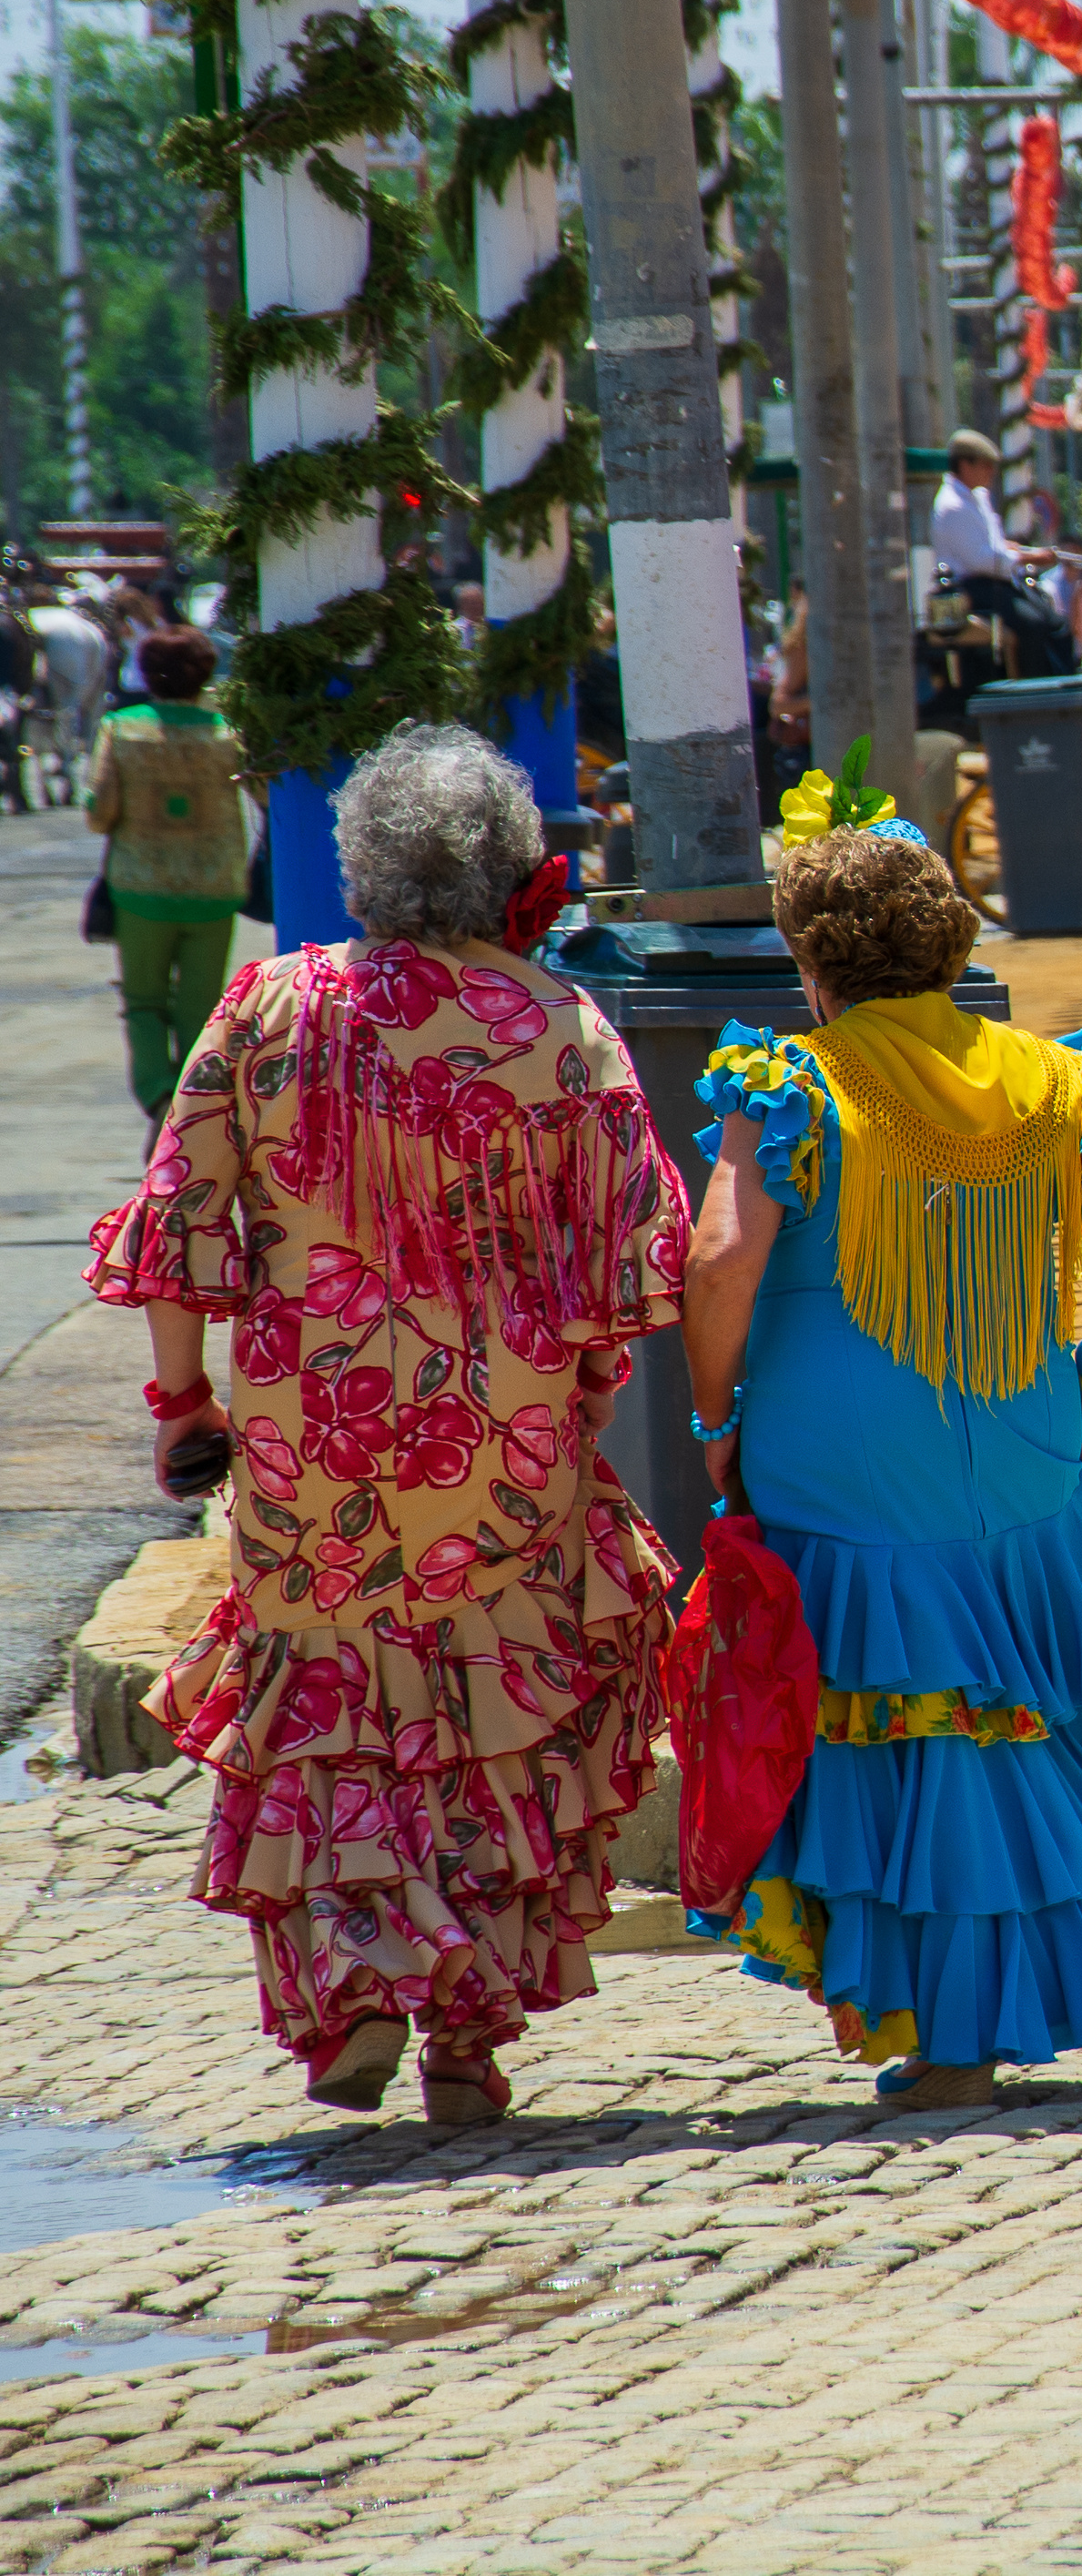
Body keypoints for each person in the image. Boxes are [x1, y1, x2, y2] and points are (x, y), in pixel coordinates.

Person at [87, 725, 685, 2125]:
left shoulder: (267, 1009)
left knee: (343, 1712)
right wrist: (576, 1392)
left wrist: (186, 1405)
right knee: (490, 1722)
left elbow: (181, 1232)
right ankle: (467, 2035)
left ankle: (353, 1990)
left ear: (362, 865)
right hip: (511, 1444)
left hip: (317, 1439)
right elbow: (635, 1263)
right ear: (507, 871)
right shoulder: (559, 1025)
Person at [684, 807, 1082, 2108]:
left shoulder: (792, 1087)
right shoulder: (1058, 1084)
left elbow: (723, 1264)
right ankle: (985, 2028)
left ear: (811, 961)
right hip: (1025, 1452)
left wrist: (713, 1427)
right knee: (1013, 1735)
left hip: (843, 1470)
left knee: (920, 1747)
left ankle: (947, 2047)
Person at [86, 624, 254, 1117]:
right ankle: (192, 1105)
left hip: (140, 887)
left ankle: (158, 1094)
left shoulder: (122, 728)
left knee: (143, 1001)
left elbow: (99, 813)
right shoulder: (229, 732)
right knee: (201, 1007)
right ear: (205, 674)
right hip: (216, 886)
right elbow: (264, 792)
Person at [930, 430, 1078, 675]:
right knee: (1033, 624)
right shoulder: (952, 506)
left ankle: (1063, 680)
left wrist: (1017, 549)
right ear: (965, 465)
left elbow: (992, 545)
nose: (991, 472)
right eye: (986, 465)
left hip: (996, 582)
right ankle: (1032, 690)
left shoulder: (977, 498)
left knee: (1056, 622)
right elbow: (982, 561)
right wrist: (1030, 557)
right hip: (973, 587)